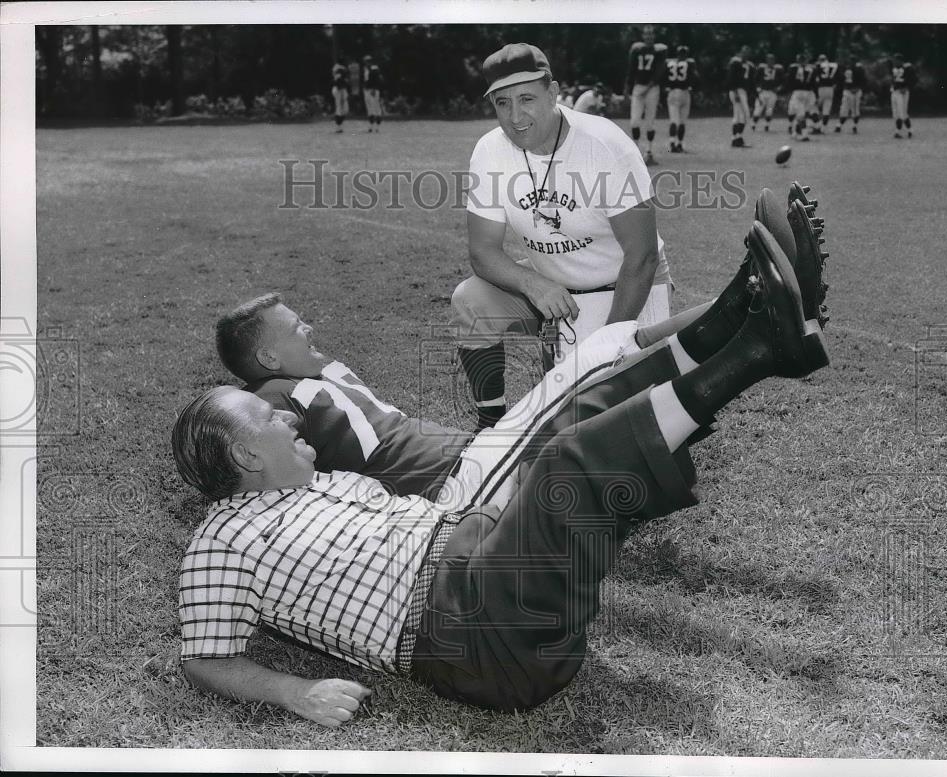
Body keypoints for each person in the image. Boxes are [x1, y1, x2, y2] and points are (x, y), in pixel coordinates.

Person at [172, 217, 832, 724]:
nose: (284, 422)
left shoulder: (323, 485)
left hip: (477, 553)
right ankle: (758, 341)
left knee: (590, 396)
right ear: (245, 455)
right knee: (571, 450)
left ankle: (759, 324)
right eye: (271, 425)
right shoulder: (225, 537)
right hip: (468, 628)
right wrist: (296, 690)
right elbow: (200, 654)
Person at [214, 186, 828, 514]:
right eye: (295, 330)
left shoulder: (308, 377)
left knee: (599, 363)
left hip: (475, 458)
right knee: (595, 375)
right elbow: (252, 462)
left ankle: (756, 301)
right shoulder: (275, 397)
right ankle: (758, 310)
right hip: (457, 488)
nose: (310, 329)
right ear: (266, 364)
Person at [451, 42, 675, 431]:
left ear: (553, 93)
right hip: (554, 289)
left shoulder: (604, 145)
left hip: (626, 285)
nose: (515, 116)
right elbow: (483, 252)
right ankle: (489, 426)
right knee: (470, 300)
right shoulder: (489, 151)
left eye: (526, 98)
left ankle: (590, 364)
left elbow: (642, 257)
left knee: (602, 423)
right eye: (502, 103)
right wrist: (533, 284)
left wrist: (605, 347)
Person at [624, 25, 669, 163]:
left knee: (650, 122)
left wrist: (649, 85)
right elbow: (631, 70)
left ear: (654, 36)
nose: (649, 36)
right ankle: (636, 151)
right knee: (635, 121)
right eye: (646, 34)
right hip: (638, 87)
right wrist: (627, 88)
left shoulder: (659, 50)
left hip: (652, 88)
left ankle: (649, 152)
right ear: (643, 36)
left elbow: (659, 71)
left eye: (651, 34)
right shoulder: (637, 49)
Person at [664, 44, 697, 152]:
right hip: (684, 91)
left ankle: (672, 142)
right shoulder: (690, 63)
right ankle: (679, 144)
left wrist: (666, 86)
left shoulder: (669, 62)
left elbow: (663, 76)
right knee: (682, 121)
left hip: (673, 92)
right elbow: (694, 76)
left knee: (674, 120)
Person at [726, 46, 754, 147]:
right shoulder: (735, 63)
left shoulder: (749, 65)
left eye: (748, 53)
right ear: (741, 52)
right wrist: (735, 92)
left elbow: (750, 82)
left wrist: (751, 94)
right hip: (737, 91)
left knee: (740, 117)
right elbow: (730, 78)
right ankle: (736, 138)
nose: (746, 55)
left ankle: (737, 138)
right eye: (744, 52)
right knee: (740, 116)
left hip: (743, 92)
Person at [785, 53, 816, 142]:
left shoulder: (794, 67)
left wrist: (788, 90)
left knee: (800, 114)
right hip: (807, 93)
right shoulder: (811, 68)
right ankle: (795, 132)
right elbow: (814, 82)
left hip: (800, 93)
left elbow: (789, 80)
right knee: (798, 114)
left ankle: (804, 135)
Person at [751, 53, 782, 133]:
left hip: (772, 92)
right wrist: (758, 88)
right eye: (769, 59)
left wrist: (778, 88)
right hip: (763, 91)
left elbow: (783, 81)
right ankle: (753, 125)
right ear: (766, 60)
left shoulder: (778, 69)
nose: (771, 61)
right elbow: (756, 79)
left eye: (772, 59)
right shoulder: (761, 68)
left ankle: (767, 125)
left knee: (769, 110)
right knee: (758, 109)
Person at [889, 53, 916, 139]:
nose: (894, 61)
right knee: (896, 113)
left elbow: (914, 79)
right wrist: (892, 86)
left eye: (896, 60)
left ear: (900, 60)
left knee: (902, 113)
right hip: (895, 91)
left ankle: (898, 132)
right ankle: (909, 130)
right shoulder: (894, 68)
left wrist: (907, 87)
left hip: (902, 92)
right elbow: (894, 79)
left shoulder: (907, 68)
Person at [836, 59, 867, 133]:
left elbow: (863, 80)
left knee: (855, 110)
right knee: (844, 109)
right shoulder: (845, 69)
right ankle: (839, 125)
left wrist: (858, 87)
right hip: (848, 90)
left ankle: (854, 126)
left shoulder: (858, 70)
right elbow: (841, 80)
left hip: (854, 91)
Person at [813, 54, 839, 133]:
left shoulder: (818, 66)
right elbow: (839, 77)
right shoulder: (834, 65)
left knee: (813, 107)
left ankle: (817, 125)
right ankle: (823, 128)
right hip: (830, 89)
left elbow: (815, 79)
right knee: (826, 109)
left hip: (821, 88)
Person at [362, 55, 384, 133]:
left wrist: (374, 88)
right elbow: (365, 80)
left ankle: (377, 127)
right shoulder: (365, 68)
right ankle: (371, 126)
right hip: (367, 90)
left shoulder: (374, 68)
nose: (366, 62)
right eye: (365, 61)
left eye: (368, 61)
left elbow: (377, 79)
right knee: (369, 108)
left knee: (376, 108)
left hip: (373, 89)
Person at [330, 60, 350, 133]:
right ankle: (338, 127)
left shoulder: (338, 68)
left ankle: (339, 126)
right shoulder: (339, 69)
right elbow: (338, 81)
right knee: (340, 109)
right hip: (339, 89)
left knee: (343, 109)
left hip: (340, 89)